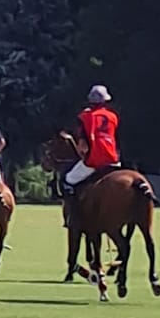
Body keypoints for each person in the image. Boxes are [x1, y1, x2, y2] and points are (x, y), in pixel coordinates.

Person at [62, 84, 121, 229]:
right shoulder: (113, 117)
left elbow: (83, 145)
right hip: (113, 160)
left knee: (68, 180)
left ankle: (73, 218)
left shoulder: (84, 117)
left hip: (95, 160)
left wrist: (82, 153)